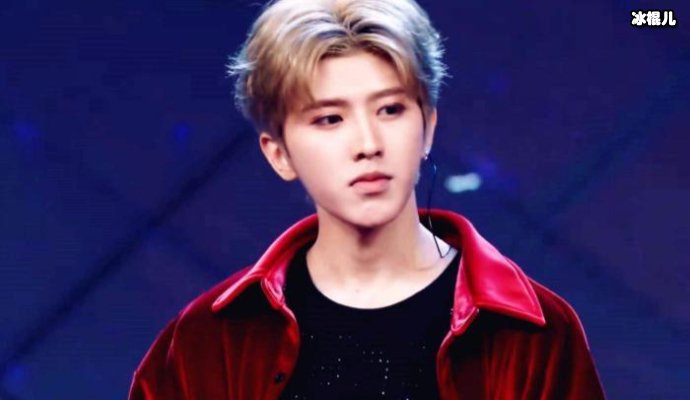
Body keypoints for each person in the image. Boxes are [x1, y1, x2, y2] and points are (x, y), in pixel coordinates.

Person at [128, 0, 606, 398]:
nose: (368, 143)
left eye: (390, 109)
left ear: (428, 128)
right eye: (330, 119)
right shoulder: (209, 340)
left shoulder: (531, 333)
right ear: (279, 154)